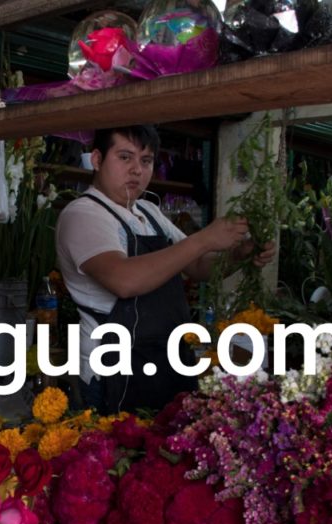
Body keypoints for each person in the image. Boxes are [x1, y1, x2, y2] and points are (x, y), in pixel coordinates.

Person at [55, 125, 275, 413]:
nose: (137, 170)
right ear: (97, 159)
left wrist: (239, 254)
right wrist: (204, 239)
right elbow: (124, 280)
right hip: (115, 370)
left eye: (146, 161)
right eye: (125, 157)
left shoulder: (149, 211)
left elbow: (197, 266)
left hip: (166, 361)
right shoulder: (83, 214)